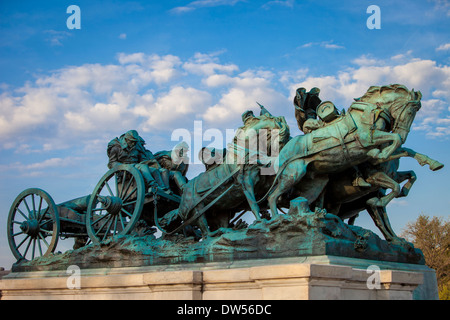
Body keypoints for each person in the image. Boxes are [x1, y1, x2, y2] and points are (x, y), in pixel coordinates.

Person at [107, 130, 171, 191]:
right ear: (126, 139)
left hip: (136, 167)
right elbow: (112, 163)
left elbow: (142, 159)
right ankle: (152, 184)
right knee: (143, 166)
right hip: (125, 171)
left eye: (134, 142)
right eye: (131, 141)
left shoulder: (135, 148)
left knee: (154, 170)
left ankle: (162, 188)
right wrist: (124, 166)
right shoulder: (116, 148)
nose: (133, 143)